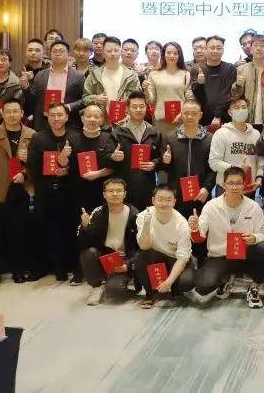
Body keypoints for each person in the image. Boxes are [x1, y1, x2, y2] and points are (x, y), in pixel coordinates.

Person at [189, 166, 264, 309]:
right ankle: (225, 280)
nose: (234, 187)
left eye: (238, 183)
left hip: (245, 253)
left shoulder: (254, 207)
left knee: (262, 248)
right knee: (203, 286)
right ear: (223, 184)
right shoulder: (211, 206)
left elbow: (261, 233)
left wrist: (253, 238)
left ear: (244, 185)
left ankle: (254, 287)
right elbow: (199, 237)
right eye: (231, 183)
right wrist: (195, 229)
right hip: (220, 255)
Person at [0, 98, 35, 286]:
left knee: (17, 234)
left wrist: (25, 175)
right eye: (8, 111)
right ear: (2, 113)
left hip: (20, 190)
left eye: (15, 111)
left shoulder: (32, 135)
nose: (12, 115)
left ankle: (18, 271)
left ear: (22, 113)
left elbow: (38, 164)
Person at [28, 102, 83, 282]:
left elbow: (83, 165)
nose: (56, 119)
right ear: (47, 117)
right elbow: (32, 166)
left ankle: (64, 268)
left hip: (69, 193)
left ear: (67, 117)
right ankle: (41, 268)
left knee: (68, 231)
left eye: (60, 115)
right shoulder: (38, 138)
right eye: (53, 115)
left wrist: (68, 169)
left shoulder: (76, 137)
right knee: (43, 232)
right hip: (45, 193)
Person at [79, 178, 140, 306]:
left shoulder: (135, 215)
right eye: (111, 191)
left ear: (125, 194)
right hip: (105, 257)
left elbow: (141, 248)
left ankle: (121, 282)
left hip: (125, 259)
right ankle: (97, 286)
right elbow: (85, 243)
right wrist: (85, 227)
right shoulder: (98, 213)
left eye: (119, 190)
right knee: (88, 253)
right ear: (104, 194)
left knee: (115, 292)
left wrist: (128, 264)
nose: (115, 194)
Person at [133, 185, 196, 308]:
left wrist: (169, 281)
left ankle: (171, 289)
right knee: (141, 256)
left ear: (174, 202)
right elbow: (144, 246)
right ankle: (151, 293)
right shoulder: (143, 216)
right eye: (160, 199)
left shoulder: (182, 224)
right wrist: (147, 224)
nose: (164, 203)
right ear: (153, 200)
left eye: (168, 200)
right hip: (155, 257)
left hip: (175, 259)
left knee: (186, 282)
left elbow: (182, 258)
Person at [110, 92, 164, 211]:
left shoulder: (154, 132)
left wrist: (154, 163)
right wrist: (113, 157)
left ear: (146, 108)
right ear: (127, 109)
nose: (139, 110)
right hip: (124, 188)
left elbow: (162, 158)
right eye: (134, 107)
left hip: (147, 186)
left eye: (142, 106)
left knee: (146, 218)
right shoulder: (118, 133)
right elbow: (104, 158)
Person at [71, 104, 118, 239]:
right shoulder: (73, 138)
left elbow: (115, 167)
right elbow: (66, 166)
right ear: (82, 118)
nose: (92, 119)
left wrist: (97, 174)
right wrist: (63, 156)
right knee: (79, 230)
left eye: (96, 117)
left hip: (101, 192)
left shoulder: (109, 138)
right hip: (77, 192)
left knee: (101, 230)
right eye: (89, 116)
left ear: (102, 120)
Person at [208, 96, 263, 198]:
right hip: (226, 188)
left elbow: (259, 159)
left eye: (244, 107)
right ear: (229, 112)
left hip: (248, 188)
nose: (241, 110)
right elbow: (213, 162)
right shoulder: (221, 134)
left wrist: (259, 177)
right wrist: (234, 168)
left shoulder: (255, 134)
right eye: (236, 108)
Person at [24, 40, 86, 130]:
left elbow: (85, 99)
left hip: (69, 123)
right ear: (49, 54)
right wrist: (26, 87)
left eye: (61, 51)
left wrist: (70, 106)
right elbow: (34, 99)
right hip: (44, 123)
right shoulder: (40, 75)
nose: (57, 54)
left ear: (68, 54)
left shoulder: (78, 76)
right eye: (54, 51)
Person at [83, 36, 140, 128]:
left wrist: (129, 115)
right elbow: (85, 98)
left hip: (124, 123)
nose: (113, 54)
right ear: (103, 52)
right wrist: (96, 99)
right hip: (99, 123)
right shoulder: (94, 75)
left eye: (116, 50)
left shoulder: (131, 76)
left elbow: (138, 100)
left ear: (121, 51)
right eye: (109, 51)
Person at [232, 34, 264, 129]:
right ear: (251, 49)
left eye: (263, 46)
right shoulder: (242, 69)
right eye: (256, 45)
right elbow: (235, 96)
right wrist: (237, 85)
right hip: (246, 119)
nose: (259, 48)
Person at [144, 41, 192, 137]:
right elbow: (151, 101)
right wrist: (146, 90)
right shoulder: (154, 74)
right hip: (160, 121)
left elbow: (190, 98)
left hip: (181, 120)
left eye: (175, 53)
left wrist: (183, 113)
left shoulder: (186, 74)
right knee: (161, 145)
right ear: (163, 54)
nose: (172, 56)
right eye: (169, 53)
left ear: (180, 55)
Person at [191, 35, 238, 129]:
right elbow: (197, 96)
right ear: (206, 49)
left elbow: (226, 93)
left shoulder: (230, 68)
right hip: (202, 116)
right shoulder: (196, 69)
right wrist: (200, 84)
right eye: (212, 48)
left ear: (223, 50)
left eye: (219, 48)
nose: (215, 51)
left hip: (224, 116)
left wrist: (218, 116)